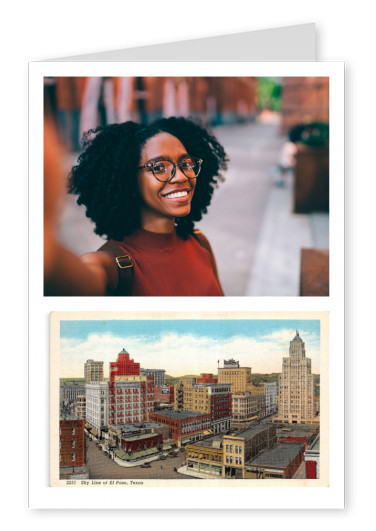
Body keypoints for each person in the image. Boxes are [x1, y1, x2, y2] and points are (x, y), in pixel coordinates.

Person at [46, 116, 228, 296]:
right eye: (159, 167)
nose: (181, 176)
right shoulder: (111, 266)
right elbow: (70, 279)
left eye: (186, 163)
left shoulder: (200, 243)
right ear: (129, 181)